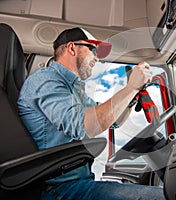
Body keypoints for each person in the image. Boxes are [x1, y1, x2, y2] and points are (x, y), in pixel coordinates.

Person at [18, 27, 165, 200]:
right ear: (72, 48)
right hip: (57, 190)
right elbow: (82, 126)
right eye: (93, 49)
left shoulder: (73, 89)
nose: (97, 57)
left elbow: (112, 121)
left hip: (77, 183)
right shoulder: (46, 79)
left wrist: (132, 95)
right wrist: (131, 87)